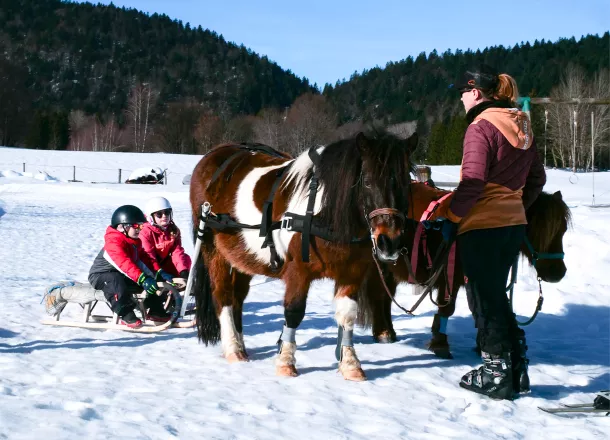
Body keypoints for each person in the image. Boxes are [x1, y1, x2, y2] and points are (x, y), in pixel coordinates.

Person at [440, 66, 546, 400]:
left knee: (484, 300)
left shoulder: (480, 127)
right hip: (512, 226)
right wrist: (514, 204)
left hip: (481, 226)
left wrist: (451, 217)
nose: (460, 99)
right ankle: (516, 369)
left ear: (474, 92)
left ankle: (496, 374)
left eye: (461, 93)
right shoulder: (522, 124)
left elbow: (472, 182)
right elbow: (537, 179)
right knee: (496, 296)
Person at [88, 205, 174, 328]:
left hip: (122, 273)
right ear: (123, 227)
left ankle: (155, 310)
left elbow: (143, 260)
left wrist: (157, 273)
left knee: (152, 281)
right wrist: (143, 279)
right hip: (101, 275)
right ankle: (126, 313)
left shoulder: (134, 242)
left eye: (141, 226)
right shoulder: (113, 243)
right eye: (136, 226)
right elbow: (124, 264)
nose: (140, 229)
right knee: (115, 281)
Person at [139, 197, 192, 282]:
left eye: (167, 213)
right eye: (159, 214)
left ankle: (179, 283)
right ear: (151, 217)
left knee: (185, 258)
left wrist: (183, 271)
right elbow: (149, 256)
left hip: (164, 263)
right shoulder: (145, 232)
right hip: (150, 266)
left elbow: (177, 252)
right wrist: (159, 272)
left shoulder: (173, 230)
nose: (164, 216)